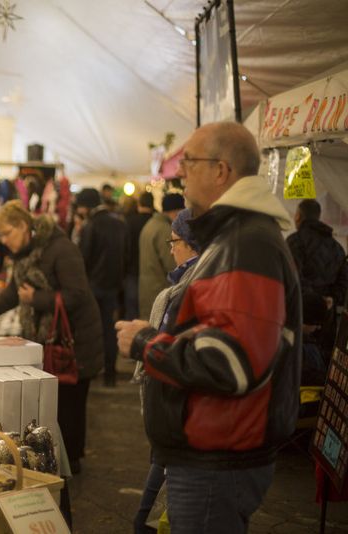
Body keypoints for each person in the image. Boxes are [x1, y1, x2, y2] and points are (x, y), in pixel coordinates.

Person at [116, 121, 302, 533]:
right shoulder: (234, 238)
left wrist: (147, 343)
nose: (180, 172)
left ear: (222, 170)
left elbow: (232, 361)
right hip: (211, 453)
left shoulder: (247, 243)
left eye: (190, 161)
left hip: (219, 458)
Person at [0, 200, 103, 474]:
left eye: (7, 233)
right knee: (59, 401)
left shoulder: (60, 249)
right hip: (53, 339)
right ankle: (59, 458)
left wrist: (36, 298)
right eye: (0, 236)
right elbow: (14, 292)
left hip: (75, 340)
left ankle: (70, 465)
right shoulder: (26, 256)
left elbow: (77, 294)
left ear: (24, 226)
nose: (4, 241)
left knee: (71, 401)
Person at [132, 208, 200, 533]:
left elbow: (171, 353)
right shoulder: (184, 284)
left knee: (153, 511)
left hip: (177, 419)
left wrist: (140, 340)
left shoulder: (186, 290)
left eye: (174, 242)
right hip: (175, 420)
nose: (171, 248)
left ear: (189, 242)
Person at [76, 187, 127, 387]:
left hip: (93, 286)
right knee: (109, 328)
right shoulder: (119, 224)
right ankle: (110, 374)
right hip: (113, 286)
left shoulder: (90, 226)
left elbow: (84, 258)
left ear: (86, 206)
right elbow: (127, 255)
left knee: (91, 330)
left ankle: (92, 371)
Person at [286, 198, 348, 355]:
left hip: (299, 317)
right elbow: (343, 284)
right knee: (320, 370)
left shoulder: (295, 241)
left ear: (298, 216)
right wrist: (329, 300)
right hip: (327, 321)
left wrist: (314, 301)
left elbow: (293, 279)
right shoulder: (338, 248)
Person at [137, 192, 184, 319]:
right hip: (159, 290)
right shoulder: (164, 230)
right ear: (175, 212)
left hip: (147, 288)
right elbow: (172, 264)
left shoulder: (151, 224)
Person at [124, 191, 154, 320]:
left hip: (132, 270)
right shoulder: (156, 223)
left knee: (132, 310)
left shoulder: (129, 222)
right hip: (151, 273)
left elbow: (125, 248)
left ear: (139, 204)